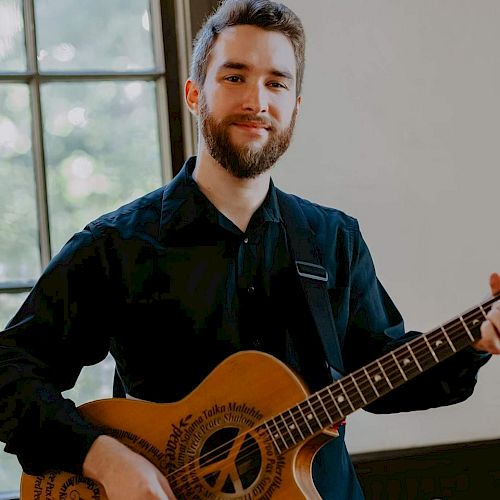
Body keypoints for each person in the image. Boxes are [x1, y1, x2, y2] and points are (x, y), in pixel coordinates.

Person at [1, 1, 499, 498]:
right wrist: (102, 458)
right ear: (195, 94)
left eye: (276, 83)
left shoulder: (332, 239)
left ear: (295, 107)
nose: (257, 101)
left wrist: (476, 339)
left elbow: (386, 372)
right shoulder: (117, 245)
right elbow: (10, 368)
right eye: (234, 77)